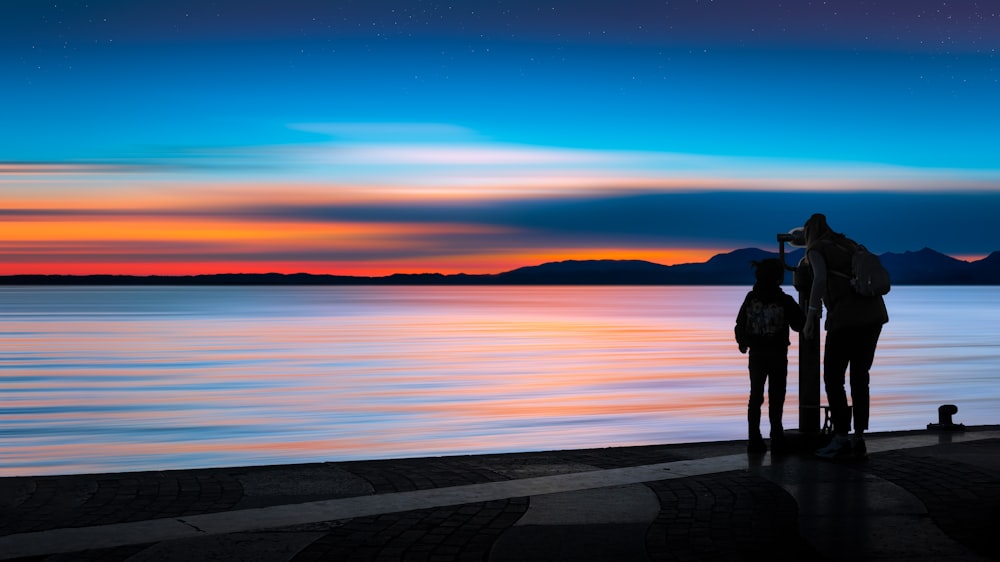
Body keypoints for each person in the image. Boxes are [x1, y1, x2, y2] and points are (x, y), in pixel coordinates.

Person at [801, 213, 889, 459]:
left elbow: (819, 280)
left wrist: (811, 316)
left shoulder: (816, 249)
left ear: (808, 233)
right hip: (873, 316)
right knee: (860, 377)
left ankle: (840, 437)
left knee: (833, 377)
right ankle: (858, 437)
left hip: (846, 320)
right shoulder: (848, 244)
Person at [735, 258, 805, 454]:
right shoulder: (784, 300)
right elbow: (799, 324)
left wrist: (742, 343)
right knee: (777, 396)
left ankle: (754, 439)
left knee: (755, 396)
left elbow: (740, 323)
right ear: (777, 278)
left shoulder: (750, 298)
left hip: (756, 355)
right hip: (777, 354)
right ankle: (777, 436)